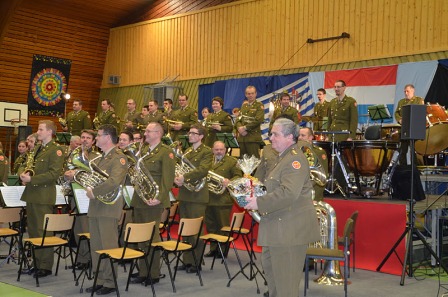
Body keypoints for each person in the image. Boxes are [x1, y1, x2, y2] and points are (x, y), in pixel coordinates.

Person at [245, 118, 320, 297]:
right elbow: (275, 188)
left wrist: (259, 203)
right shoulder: (282, 158)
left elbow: (288, 193)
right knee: (274, 282)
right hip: (278, 229)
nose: (271, 138)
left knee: (285, 287)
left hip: (289, 232)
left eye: (275, 134)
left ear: (289, 137)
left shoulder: (295, 160)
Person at [129, 122, 176, 285]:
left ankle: (153, 273)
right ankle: (143, 270)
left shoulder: (166, 152)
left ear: (158, 133)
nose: (145, 133)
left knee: (151, 237)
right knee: (141, 237)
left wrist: (160, 197)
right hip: (140, 198)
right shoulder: (142, 150)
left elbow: (168, 178)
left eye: (148, 131)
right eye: (146, 130)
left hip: (153, 200)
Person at [84, 124, 128, 295]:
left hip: (108, 207)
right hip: (96, 206)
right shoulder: (102, 157)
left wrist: (94, 191)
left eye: (99, 135)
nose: (96, 139)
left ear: (108, 138)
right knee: (96, 245)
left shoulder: (119, 157)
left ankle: (110, 282)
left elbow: (114, 182)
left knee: (108, 246)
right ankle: (99, 278)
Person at [18, 120, 65, 278]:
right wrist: (25, 175)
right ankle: (36, 263)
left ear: (49, 132)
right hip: (32, 194)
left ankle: (45, 265)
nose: (38, 132)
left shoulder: (56, 150)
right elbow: (31, 166)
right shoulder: (38, 148)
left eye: (40, 129)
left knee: (43, 231)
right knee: (32, 231)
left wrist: (33, 179)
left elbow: (54, 174)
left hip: (43, 195)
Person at [174, 124, 212, 273]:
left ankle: (196, 261)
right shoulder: (188, 151)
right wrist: (177, 178)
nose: (190, 135)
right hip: (185, 194)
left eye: (193, 133)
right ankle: (187, 260)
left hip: (197, 195)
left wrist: (184, 177)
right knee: (185, 229)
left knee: (196, 230)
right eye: (189, 133)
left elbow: (202, 170)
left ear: (201, 136)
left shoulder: (207, 152)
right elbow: (181, 168)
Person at [63, 129, 98, 269]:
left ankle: (87, 259)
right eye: (82, 137)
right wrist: (67, 174)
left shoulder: (96, 156)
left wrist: (76, 174)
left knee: (86, 229)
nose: (84, 140)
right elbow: (66, 168)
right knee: (78, 230)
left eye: (88, 138)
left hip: (87, 195)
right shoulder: (74, 154)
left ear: (93, 141)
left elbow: (95, 175)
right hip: (75, 194)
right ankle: (81, 258)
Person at [204, 141, 242, 258]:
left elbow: (238, 176)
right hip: (208, 198)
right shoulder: (208, 160)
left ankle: (223, 250)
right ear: (212, 150)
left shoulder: (232, 161)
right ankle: (213, 248)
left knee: (223, 226)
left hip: (223, 199)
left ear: (225, 150)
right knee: (211, 226)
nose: (219, 152)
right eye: (216, 149)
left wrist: (229, 181)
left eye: (221, 149)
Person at [394, 84, 425, 165]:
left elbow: (421, 112)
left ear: (413, 91)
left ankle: (416, 169)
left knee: (414, 150)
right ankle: (403, 168)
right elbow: (396, 113)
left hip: (414, 129)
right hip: (404, 129)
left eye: (407, 91)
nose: (406, 93)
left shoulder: (418, 100)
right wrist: (399, 119)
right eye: (405, 91)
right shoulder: (401, 102)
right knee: (402, 150)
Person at [298, 127, 328, 201]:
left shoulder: (318, 152)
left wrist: (315, 197)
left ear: (311, 137)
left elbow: (321, 177)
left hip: (312, 194)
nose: (300, 138)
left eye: (303, 135)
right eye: (299, 135)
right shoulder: (295, 151)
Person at [234, 86, 265, 158]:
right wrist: (240, 129)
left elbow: (258, 120)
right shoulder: (244, 106)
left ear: (256, 94)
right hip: (242, 138)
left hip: (252, 138)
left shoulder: (259, 105)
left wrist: (245, 128)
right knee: (242, 161)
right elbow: (238, 119)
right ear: (246, 95)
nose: (250, 95)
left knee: (253, 161)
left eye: (252, 93)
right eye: (248, 94)